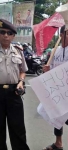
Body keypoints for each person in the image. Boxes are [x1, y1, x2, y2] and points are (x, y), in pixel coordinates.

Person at [0, 19, 30, 150]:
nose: (6, 35)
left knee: (18, 128)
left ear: (13, 36)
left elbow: (23, 70)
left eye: (9, 33)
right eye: (2, 32)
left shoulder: (18, 50)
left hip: (14, 92)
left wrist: (21, 82)